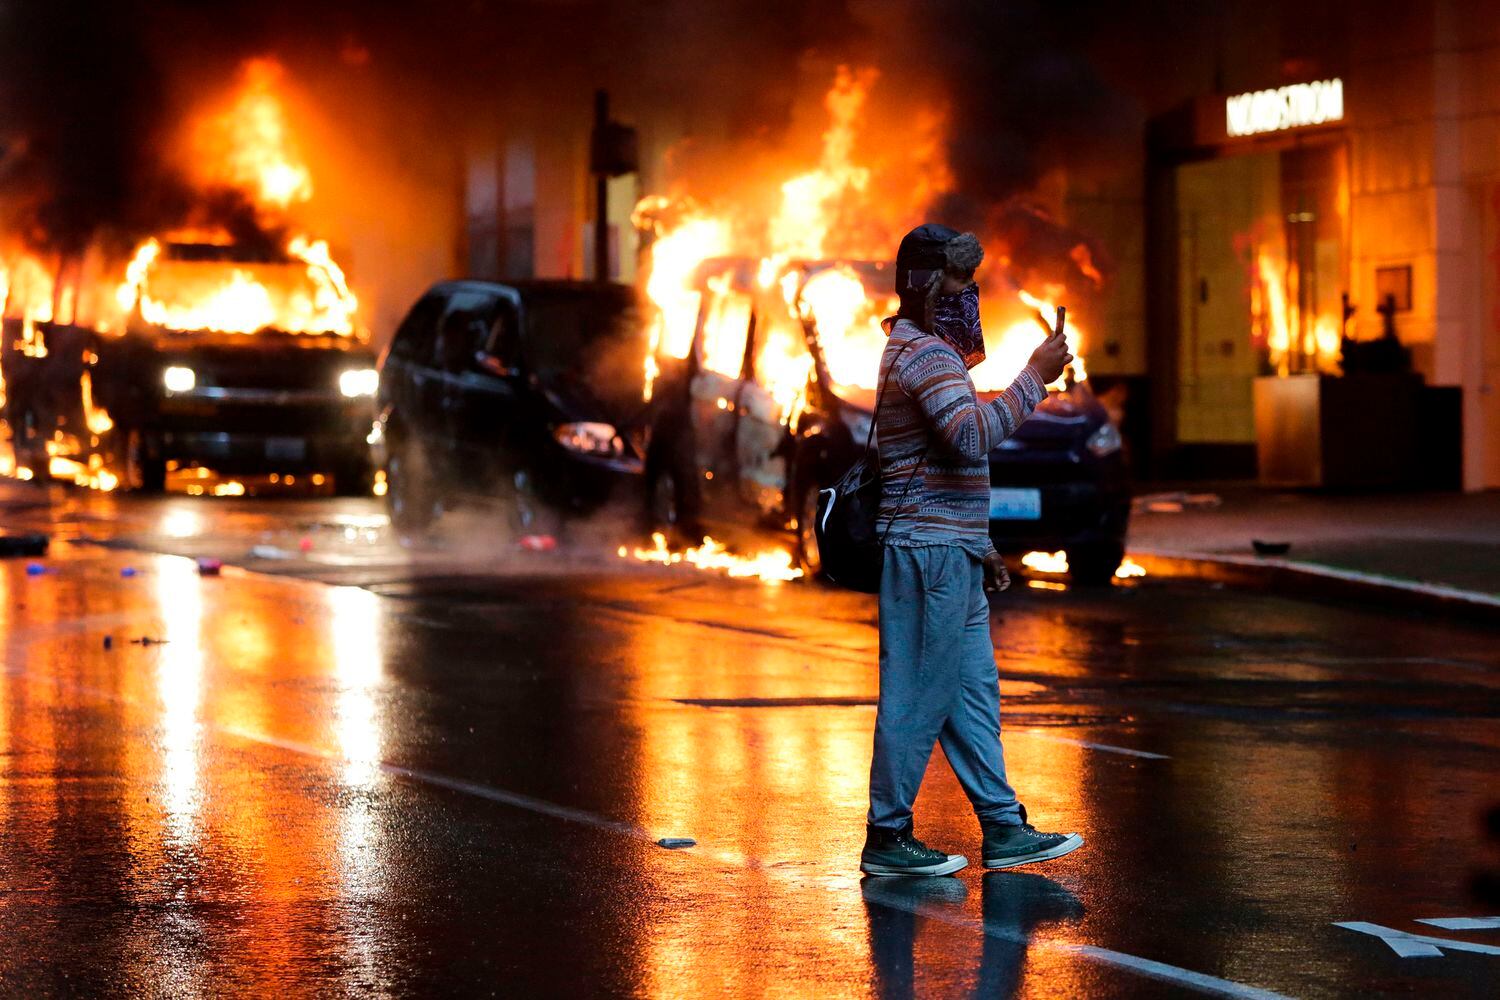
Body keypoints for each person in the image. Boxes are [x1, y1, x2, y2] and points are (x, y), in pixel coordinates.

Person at [861, 223, 1083, 877]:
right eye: (961, 282)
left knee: (971, 692)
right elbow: (968, 437)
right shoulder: (925, 354)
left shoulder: (922, 349)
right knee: (917, 695)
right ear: (927, 286)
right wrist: (1034, 380)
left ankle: (1004, 826)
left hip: (948, 551)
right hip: (927, 554)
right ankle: (888, 836)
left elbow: (949, 463)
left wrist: (980, 544)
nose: (971, 296)